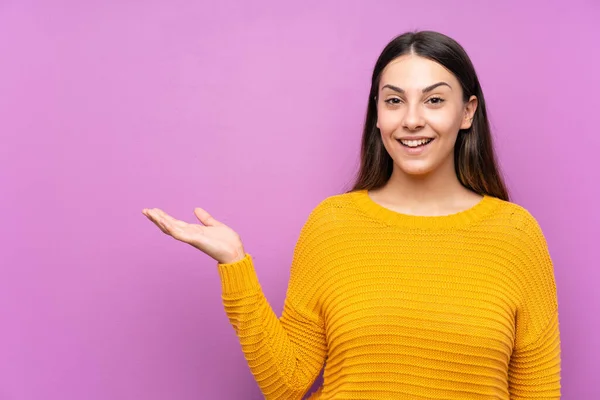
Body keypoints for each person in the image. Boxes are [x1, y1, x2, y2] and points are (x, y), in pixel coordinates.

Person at [142, 30, 561, 399]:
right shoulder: (332, 224)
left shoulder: (516, 235)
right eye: (394, 101)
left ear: (467, 112)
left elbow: (537, 393)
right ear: (377, 114)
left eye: (434, 100)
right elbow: (287, 384)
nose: (412, 120)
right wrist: (235, 264)